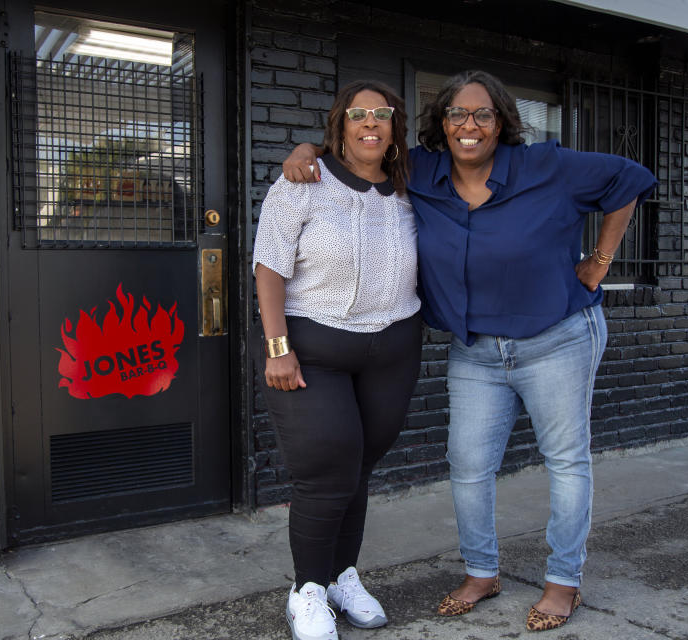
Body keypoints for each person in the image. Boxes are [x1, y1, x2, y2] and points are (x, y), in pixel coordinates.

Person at [281, 70, 657, 632]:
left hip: (555, 337)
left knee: (566, 463)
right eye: (457, 114)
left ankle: (563, 582)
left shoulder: (546, 166)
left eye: (483, 114)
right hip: (475, 348)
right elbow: (364, 142)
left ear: (502, 121)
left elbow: (630, 178)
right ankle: (482, 572)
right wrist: (308, 147)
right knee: (469, 466)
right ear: (442, 124)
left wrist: (600, 260)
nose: (469, 125)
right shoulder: (423, 170)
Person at [253, 79, 422, 640]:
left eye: (382, 114)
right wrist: (278, 348)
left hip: (392, 351)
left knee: (359, 469)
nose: (370, 123)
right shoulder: (303, 180)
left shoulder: (410, 188)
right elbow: (269, 267)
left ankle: (342, 576)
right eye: (358, 114)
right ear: (340, 125)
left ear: (395, 127)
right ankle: (306, 591)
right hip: (312, 351)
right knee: (327, 470)